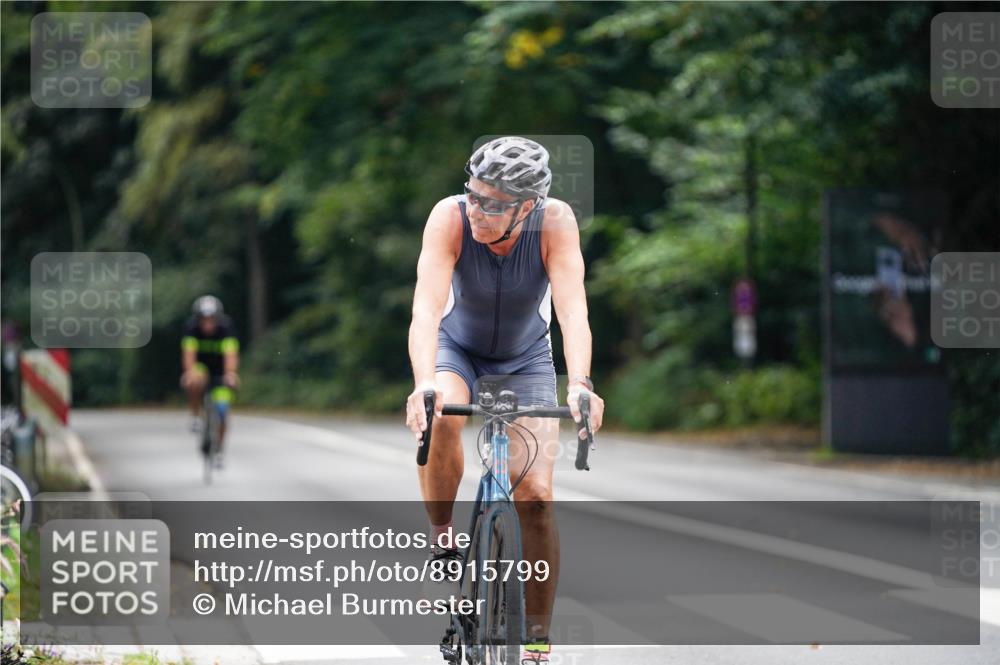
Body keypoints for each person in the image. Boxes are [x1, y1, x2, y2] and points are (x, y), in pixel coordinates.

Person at [405, 136, 605, 664]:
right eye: (472, 194)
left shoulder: (555, 223)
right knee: (444, 414)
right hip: (457, 350)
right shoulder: (448, 218)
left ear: (527, 207)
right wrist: (423, 383)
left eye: (492, 203)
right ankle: (444, 534)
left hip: (525, 360)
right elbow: (426, 309)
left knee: (536, 497)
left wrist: (580, 383)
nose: (476, 209)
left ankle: (536, 643)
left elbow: (573, 310)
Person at [180, 295, 240, 464]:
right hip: (201, 368)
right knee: (193, 380)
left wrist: (231, 374)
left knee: (222, 411)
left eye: (211, 319)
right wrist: (189, 372)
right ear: (198, 319)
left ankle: (220, 449)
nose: (207, 323)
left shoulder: (226, 329)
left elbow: (231, 355)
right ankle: (195, 416)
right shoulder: (191, 329)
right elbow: (189, 355)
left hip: (221, 371)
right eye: (204, 319)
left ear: (218, 319)